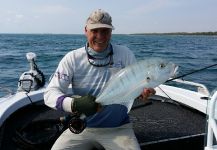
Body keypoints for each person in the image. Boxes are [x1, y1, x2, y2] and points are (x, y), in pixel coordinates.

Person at [44, 9, 156, 150]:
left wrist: (141, 92)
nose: (100, 36)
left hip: (119, 128)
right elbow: (50, 94)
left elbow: (133, 86)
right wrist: (74, 104)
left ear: (111, 32)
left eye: (105, 31)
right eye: (94, 31)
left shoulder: (125, 54)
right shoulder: (72, 58)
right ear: (86, 30)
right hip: (82, 126)